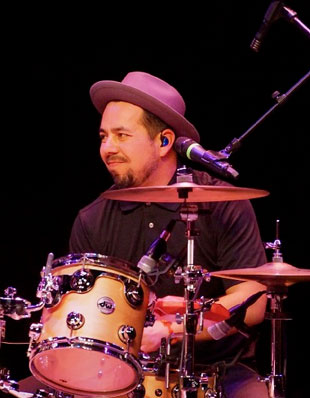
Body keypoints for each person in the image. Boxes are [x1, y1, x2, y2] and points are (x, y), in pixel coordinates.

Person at [67, 71, 269, 398]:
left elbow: (254, 302)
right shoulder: (92, 220)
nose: (107, 148)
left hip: (220, 372)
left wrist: (170, 330)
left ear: (164, 142)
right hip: (123, 371)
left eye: (121, 135)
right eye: (103, 136)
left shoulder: (223, 202)